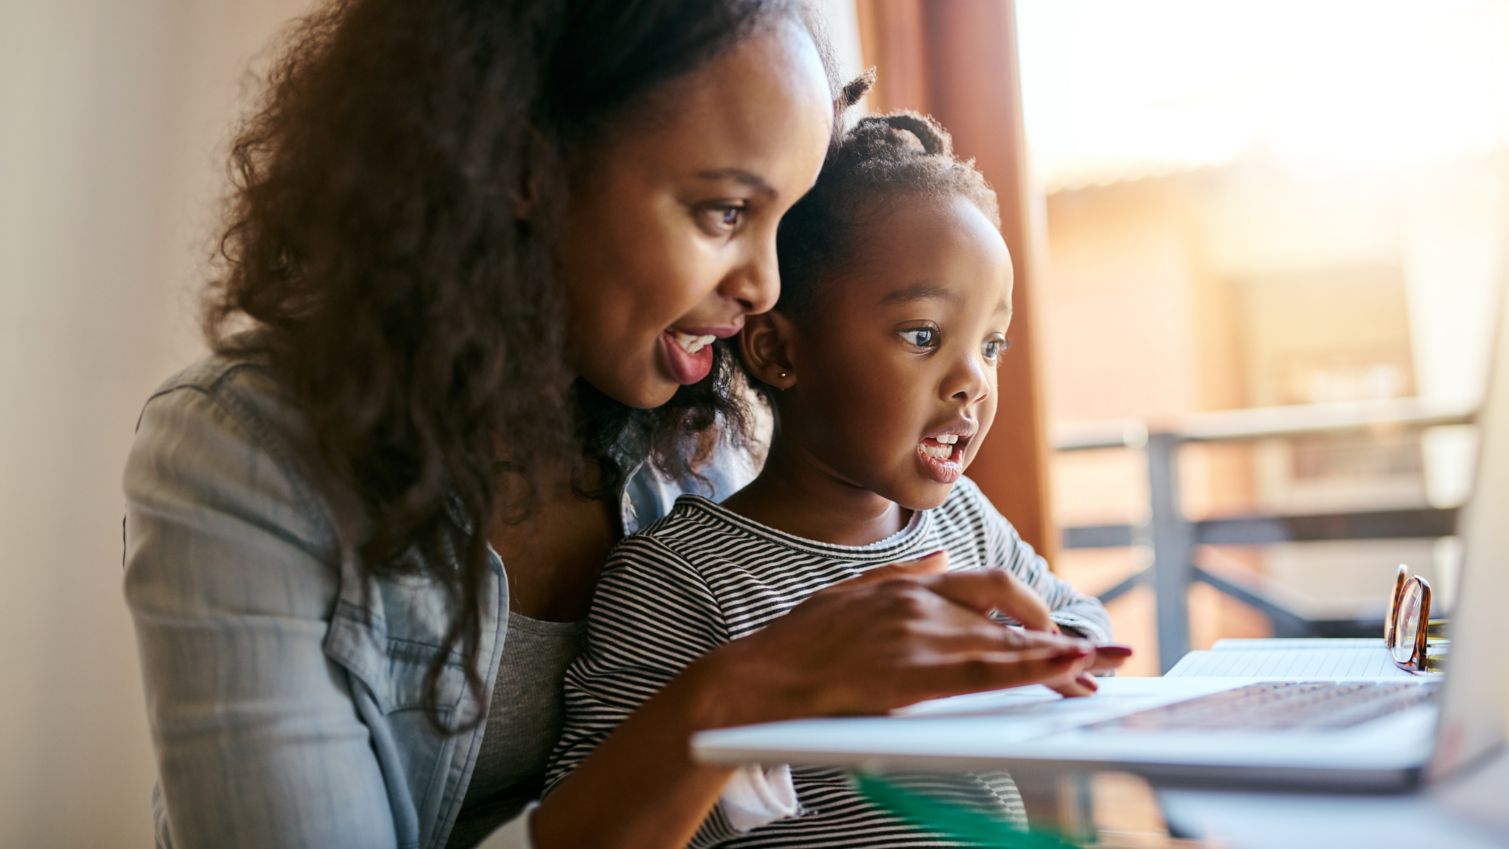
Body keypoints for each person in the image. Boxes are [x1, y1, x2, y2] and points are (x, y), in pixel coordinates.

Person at [121, 2, 1123, 848]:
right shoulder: (241, 459)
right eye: (724, 212)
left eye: (785, 221)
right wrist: (738, 696)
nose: (765, 287)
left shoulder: (713, 439)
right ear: (519, 166)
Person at [545, 103, 1125, 847]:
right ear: (776, 351)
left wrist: (1035, 655)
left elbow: (1084, 626)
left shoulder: (965, 522)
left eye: (991, 345)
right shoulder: (680, 576)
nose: (973, 382)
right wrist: (784, 726)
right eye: (923, 334)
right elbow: (598, 804)